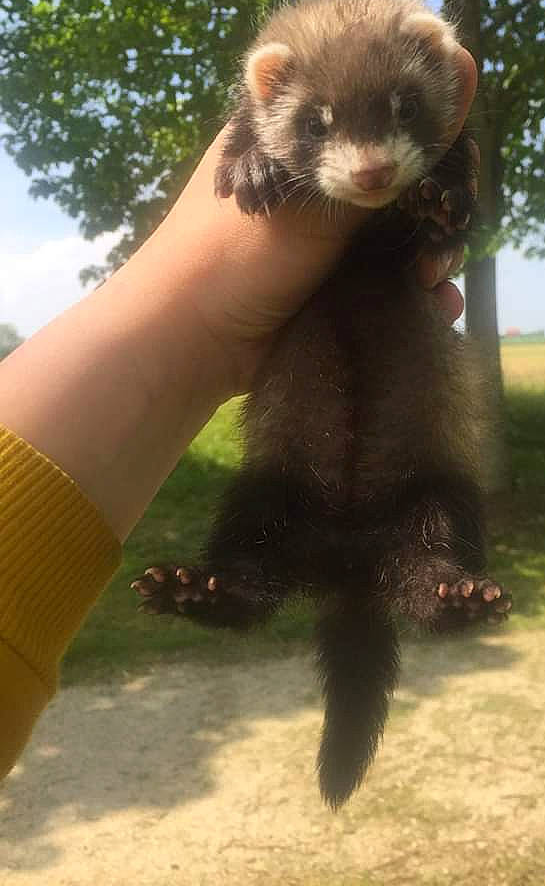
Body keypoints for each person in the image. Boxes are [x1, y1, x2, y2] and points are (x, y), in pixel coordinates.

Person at [0, 48, 477, 779]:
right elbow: (261, 153)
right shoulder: (257, 151)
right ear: (267, 96)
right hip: (304, 432)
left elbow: (440, 220)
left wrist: (445, 207)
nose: (369, 161)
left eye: (399, 115)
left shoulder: (439, 163)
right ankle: (233, 592)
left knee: (426, 521)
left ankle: (439, 593)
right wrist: (252, 159)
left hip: (401, 441)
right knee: (267, 508)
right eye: (322, 129)